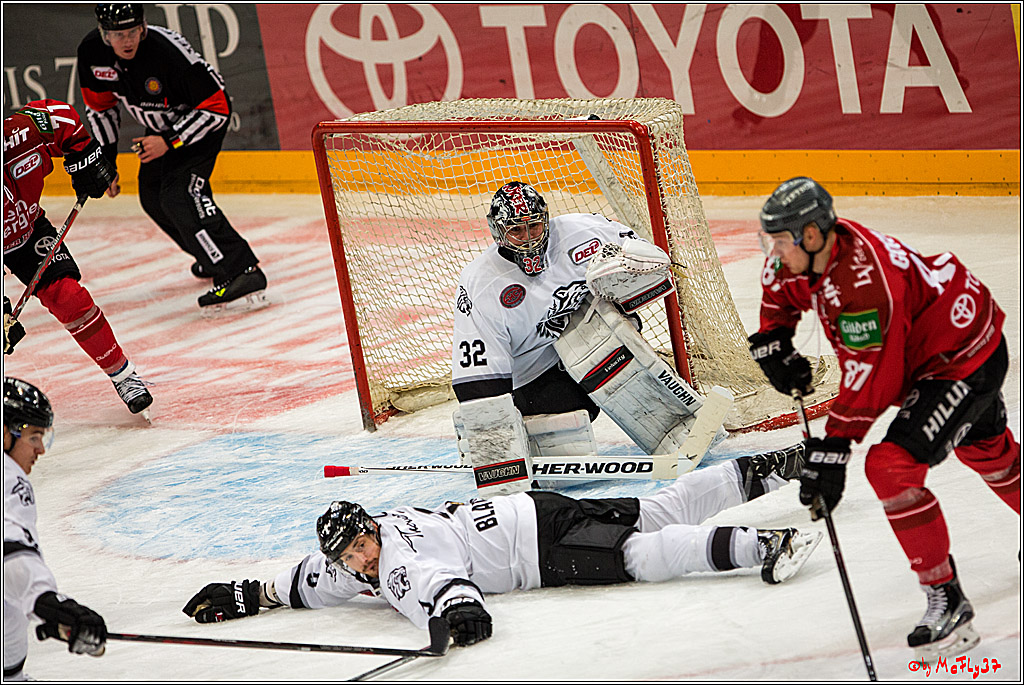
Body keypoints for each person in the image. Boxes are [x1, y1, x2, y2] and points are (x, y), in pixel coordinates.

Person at [749, 177, 1020, 663]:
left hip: (961, 358)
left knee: (890, 467)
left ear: (811, 235)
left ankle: (948, 601)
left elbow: (875, 378)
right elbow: (780, 291)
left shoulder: (865, 284)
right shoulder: (802, 256)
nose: (774, 252)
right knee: (989, 452)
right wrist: (774, 338)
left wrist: (833, 450)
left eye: (781, 241)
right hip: (947, 341)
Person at [182, 457, 822, 646]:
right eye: (349, 556)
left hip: (537, 548)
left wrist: (462, 612)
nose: (360, 560)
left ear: (373, 527)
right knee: (659, 509)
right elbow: (307, 581)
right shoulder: (348, 565)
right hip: (534, 511)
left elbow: (438, 585)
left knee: (641, 556)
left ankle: (762, 544)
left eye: (361, 545)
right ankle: (771, 469)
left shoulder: (396, 557)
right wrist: (246, 594)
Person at [451, 180, 749, 496]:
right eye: (516, 231)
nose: (528, 238)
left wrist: (627, 279)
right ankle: (502, 436)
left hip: (579, 347)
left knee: (608, 337)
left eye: (534, 226)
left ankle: (676, 429)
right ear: (498, 232)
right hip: (528, 382)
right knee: (569, 429)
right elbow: (477, 380)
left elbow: (651, 268)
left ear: (546, 219)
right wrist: (495, 454)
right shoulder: (481, 284)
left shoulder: (584, 231)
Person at [76, 3, 267, 313]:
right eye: (119, 34)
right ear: (104, 34)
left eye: (133, 32)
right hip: (161, 131)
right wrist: (106, 163)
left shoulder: (168, 54)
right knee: (152, 197)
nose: (127, 41)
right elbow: (101, 108)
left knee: (180, 195)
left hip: (199, 124)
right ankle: (210, 257)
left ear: (143, 27)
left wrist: (169, 141)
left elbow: (217, 108)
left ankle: (241, 270)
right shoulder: (92, 53)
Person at [3, 99, 153, 417]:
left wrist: (85, 157)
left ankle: (123, 375)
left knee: (69, 297)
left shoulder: (23, 131)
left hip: (27, 229)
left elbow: (64, 120)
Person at [4, 378, 108, 680]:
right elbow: (9, 552)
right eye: (34, 437)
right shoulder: (9, 478)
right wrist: (48, 602)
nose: (40, 450)